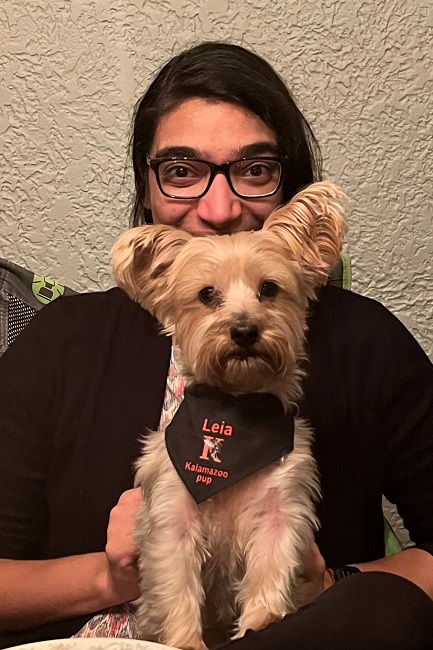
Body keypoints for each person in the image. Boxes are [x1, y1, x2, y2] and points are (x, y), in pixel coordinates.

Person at [1, 41, 433, 649]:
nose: (221, 207)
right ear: (145, 190)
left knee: (381, 611)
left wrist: (332, 583)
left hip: (303, 634)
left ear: (292, 189)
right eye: (182, 172)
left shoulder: (369, 342)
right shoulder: (60, 344)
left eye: (255, 170)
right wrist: (110, 576)